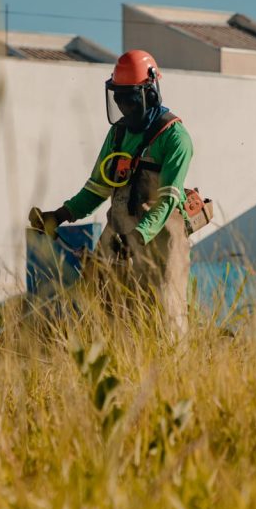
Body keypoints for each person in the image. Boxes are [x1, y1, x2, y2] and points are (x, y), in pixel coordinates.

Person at [31, 49, 194, 335]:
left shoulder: (175, 137)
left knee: (164, 318)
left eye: (131, 101)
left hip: (159, 240)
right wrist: (61, 214)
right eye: (119, 100)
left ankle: (172, 375)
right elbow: (97, 187)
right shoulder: (118, 134)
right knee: (103, 310)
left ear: (150, 94)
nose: (125, 109)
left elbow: (166, 200)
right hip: (118, 234)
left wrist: (137, 237)